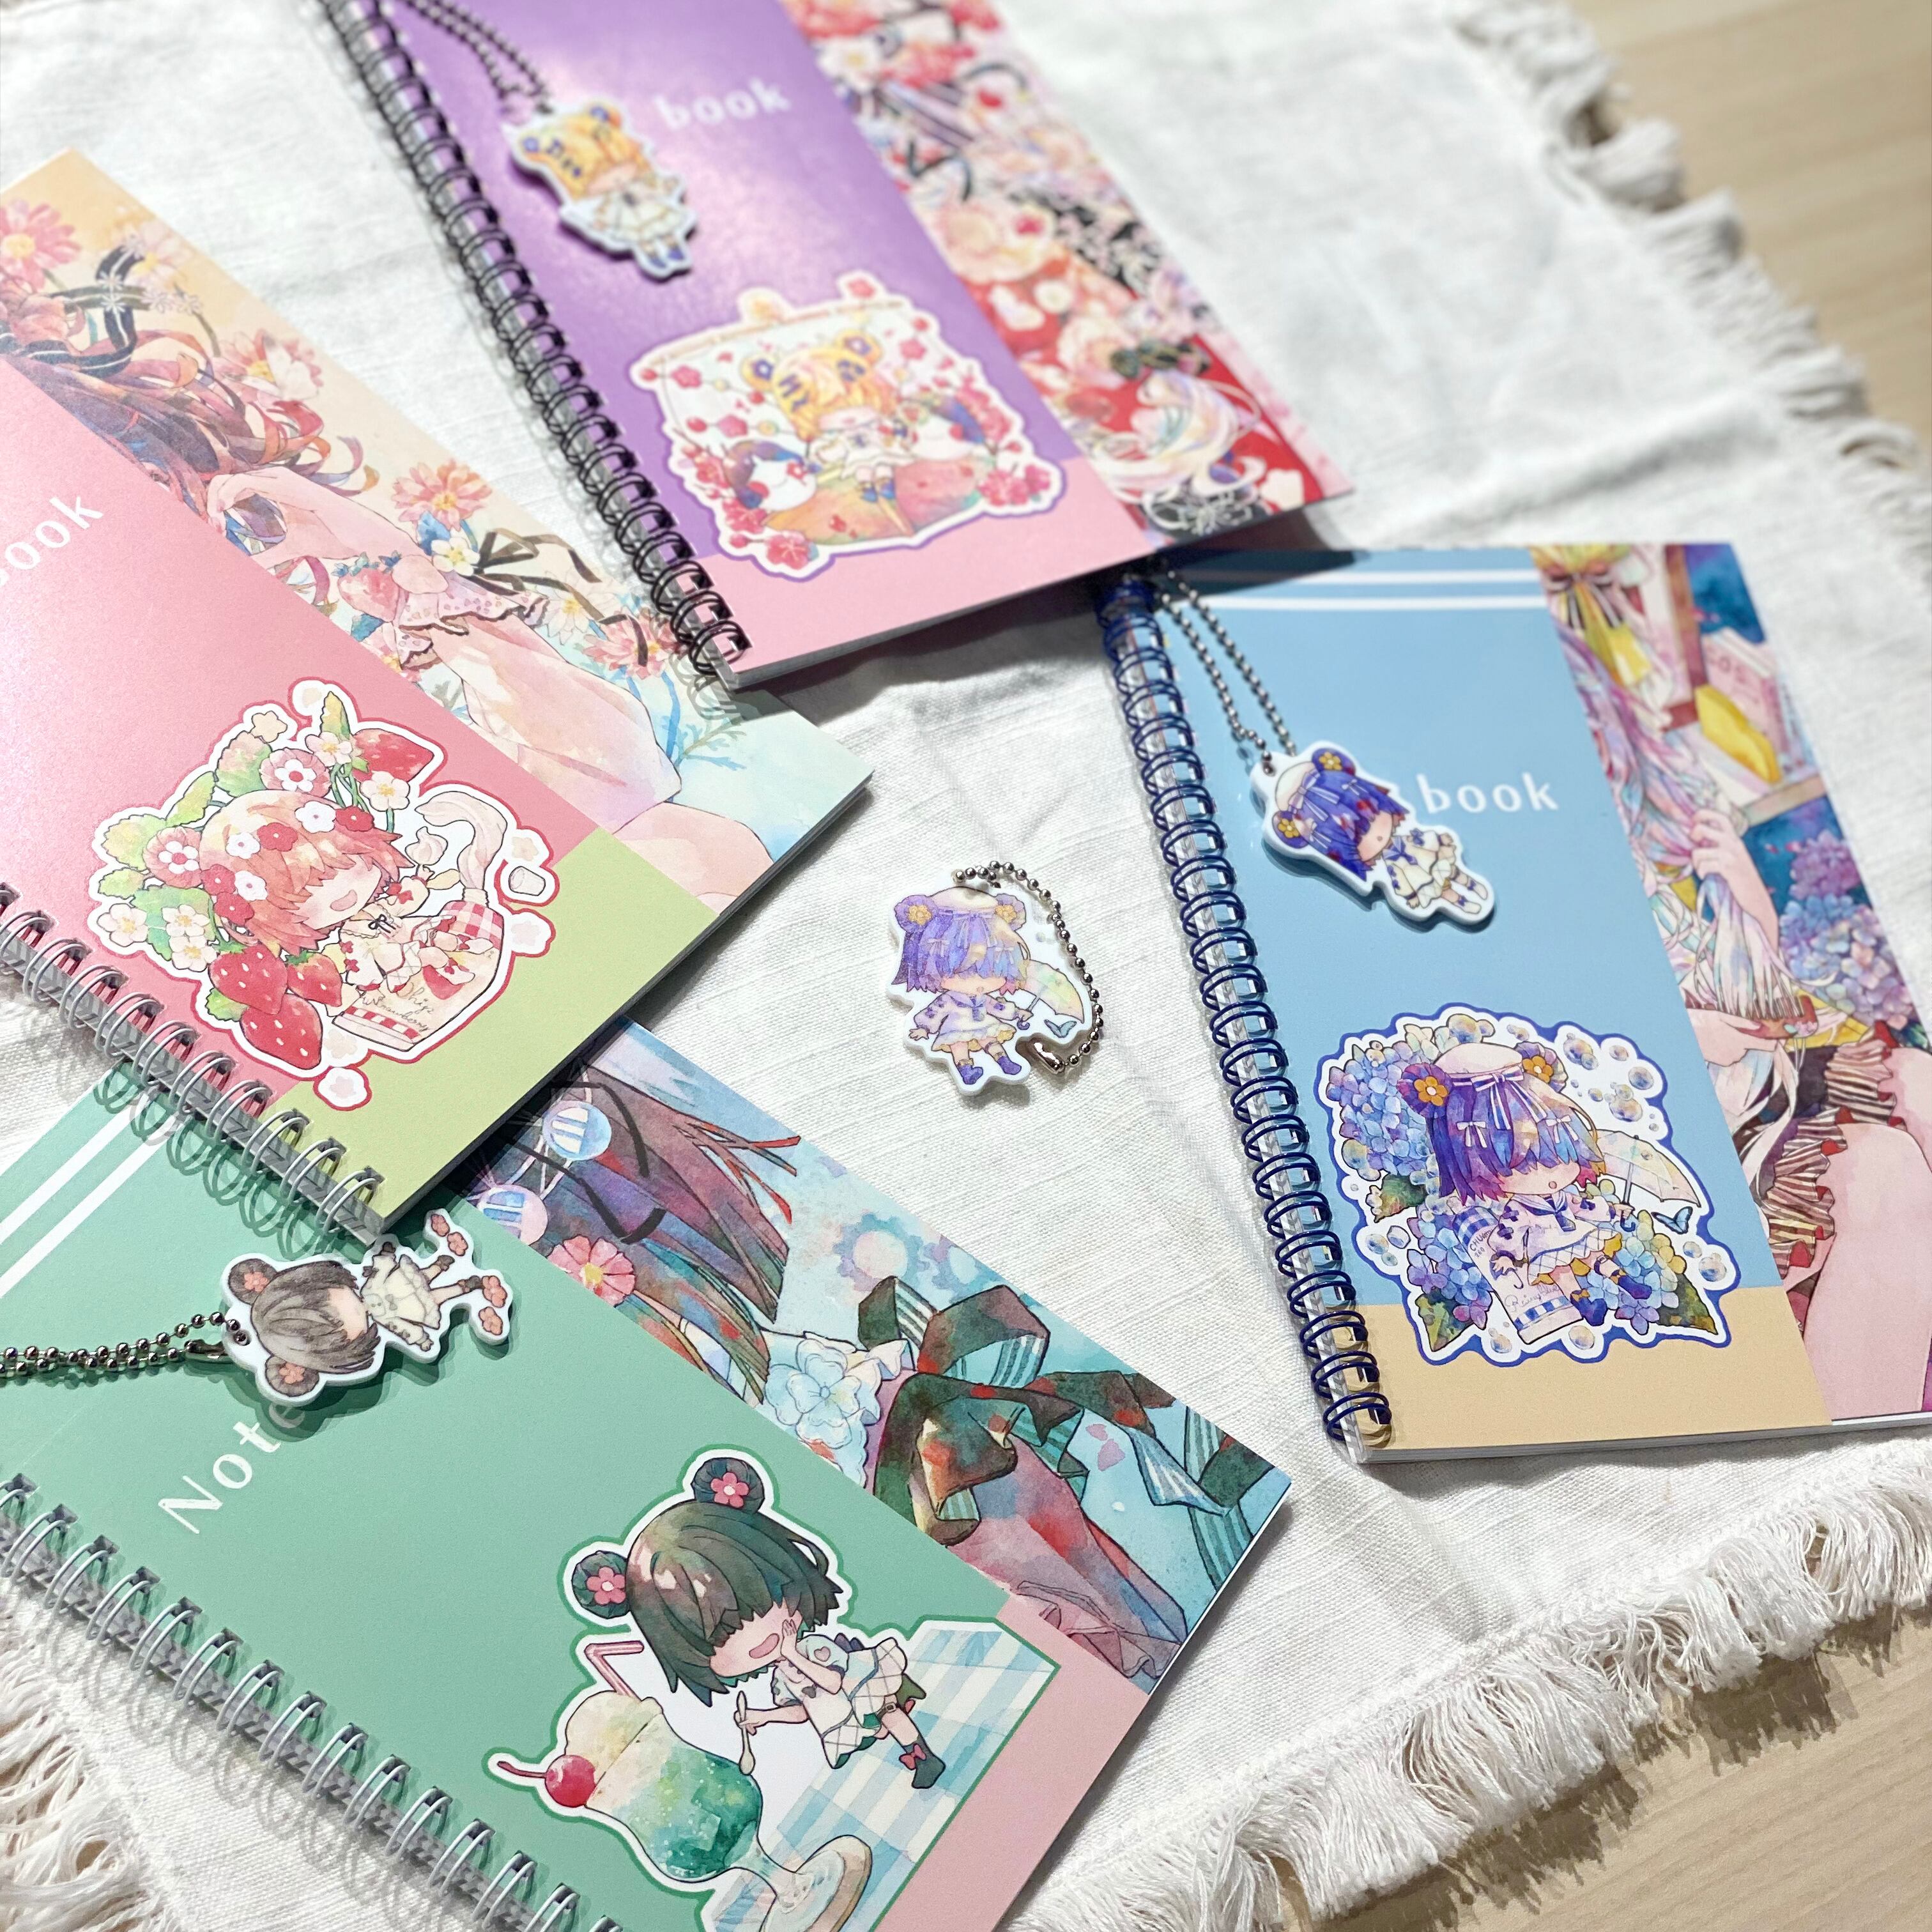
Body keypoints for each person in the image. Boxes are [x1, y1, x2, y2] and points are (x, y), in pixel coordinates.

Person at [571, 1456, 946, 1790]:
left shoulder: (812, 1650)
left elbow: (834, 1683)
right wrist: (762, 1717)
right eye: (720, 1637)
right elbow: (805, 1710)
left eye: (768, 1600)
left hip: (862, 1690)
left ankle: (923, 1756)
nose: (755, 1637)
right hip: (848, 1721)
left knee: (888, 1712)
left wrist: (792, 1654)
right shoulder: (784, 1677)